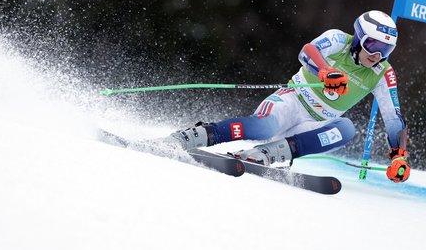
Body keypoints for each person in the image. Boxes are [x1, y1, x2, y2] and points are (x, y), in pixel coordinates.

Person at [169, 10, 410, 183]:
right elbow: (307, 52)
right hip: (292, 101)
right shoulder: (338, 40)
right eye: (373, 45)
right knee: (263, 127)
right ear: (359, 37)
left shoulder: (383, 74)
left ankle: (267, 154)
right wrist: (325, 71)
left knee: (346, 129)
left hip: (312, 124)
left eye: (386, 50)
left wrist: (399, 156)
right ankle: (193, 136)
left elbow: (393, 118)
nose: (377, 55)